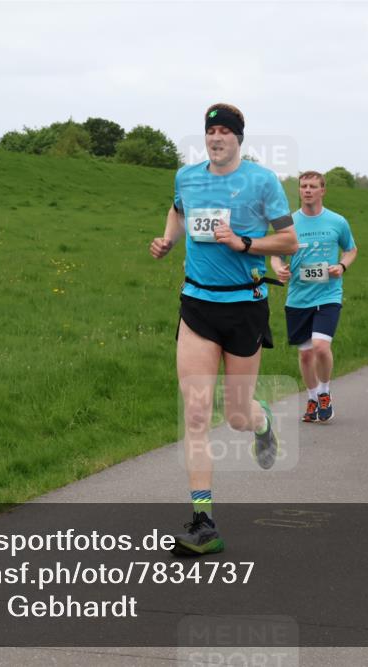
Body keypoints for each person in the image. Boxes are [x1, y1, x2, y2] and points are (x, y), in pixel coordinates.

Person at [149, 103, 297, 555]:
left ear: (238, 139)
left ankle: (261, 419)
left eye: (224, 132)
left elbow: (289, 240)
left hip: (244, 307)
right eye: (210, 131)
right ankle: (204, 522)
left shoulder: (262, 181)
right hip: (197, 304)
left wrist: (245, 243)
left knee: (235, 415)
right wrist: (168, 239)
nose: (216, 138)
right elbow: (177, 211)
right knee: (195, 413)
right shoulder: (187, 177)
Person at [271, 171, 357, 424]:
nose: (307, 190)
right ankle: (311, 397)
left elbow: (351, 250)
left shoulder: (337, 221)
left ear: (322, 191)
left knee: (320, 347)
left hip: (328, 294)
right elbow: (276, 254)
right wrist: (278, 268)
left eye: (313, 186)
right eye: (303, 186)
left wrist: (341, 267)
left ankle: (324, 393)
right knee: (306, 355)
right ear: (299, 190)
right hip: (298, 297)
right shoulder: (287, 223)